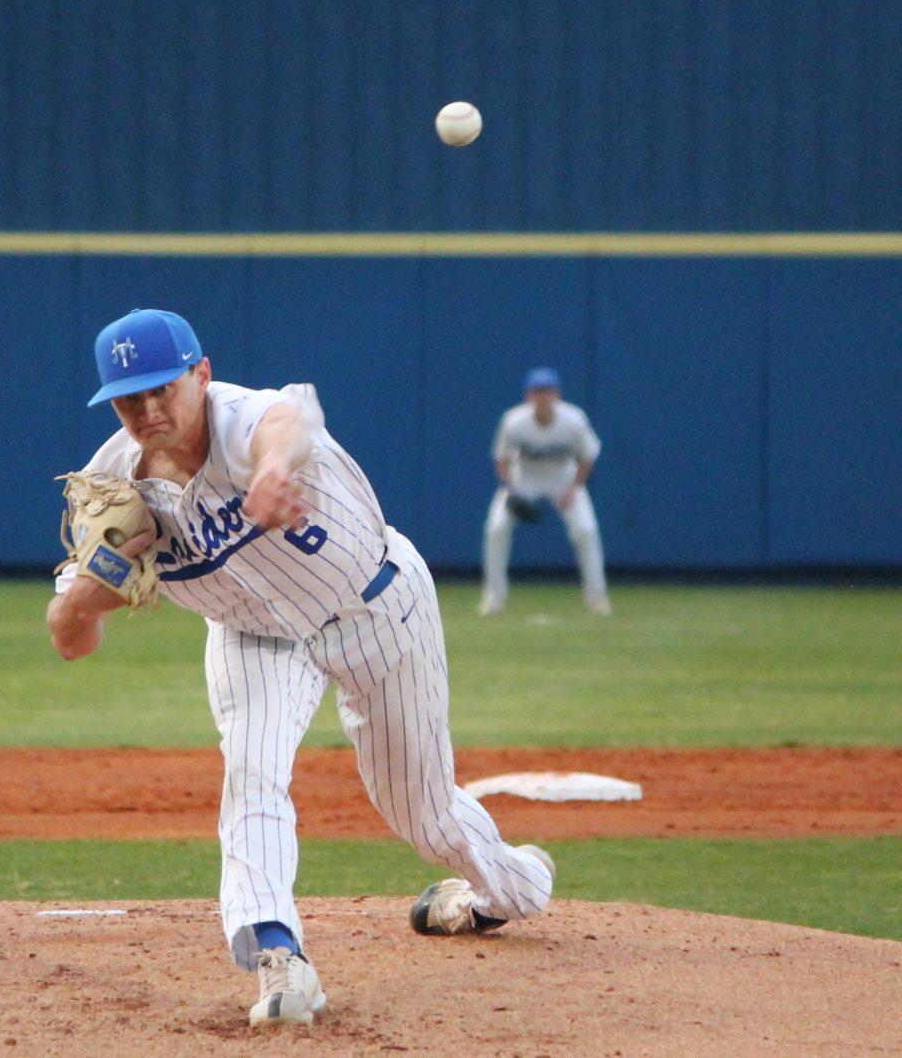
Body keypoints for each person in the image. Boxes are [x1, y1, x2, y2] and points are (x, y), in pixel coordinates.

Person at [47, 309, 555, 1027]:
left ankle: (513, 890)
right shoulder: (115, 483)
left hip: (374, 605)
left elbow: (288, 419)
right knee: (252, 773)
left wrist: (277, 470)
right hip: (255, 637)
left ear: (202, 374)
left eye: (164, 388)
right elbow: (71, 640)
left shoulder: (244, 420)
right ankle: (280, 960)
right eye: (130, 400)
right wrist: (85, 601)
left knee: (423, 811)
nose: (150, 410)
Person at [480, 367, 611, 615]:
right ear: (529, 396)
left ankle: (598, 598)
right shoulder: (514, 422)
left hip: (564, 477)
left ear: (557, 395)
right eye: (538, 391)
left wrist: (574, 489)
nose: (543, 397)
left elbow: (588, 456)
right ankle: (493, 598)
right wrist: (511, 489)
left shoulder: (573, 420)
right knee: (496, 528)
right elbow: (501, 458)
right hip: (525, 478)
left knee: (586, 530)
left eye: (548, 391)